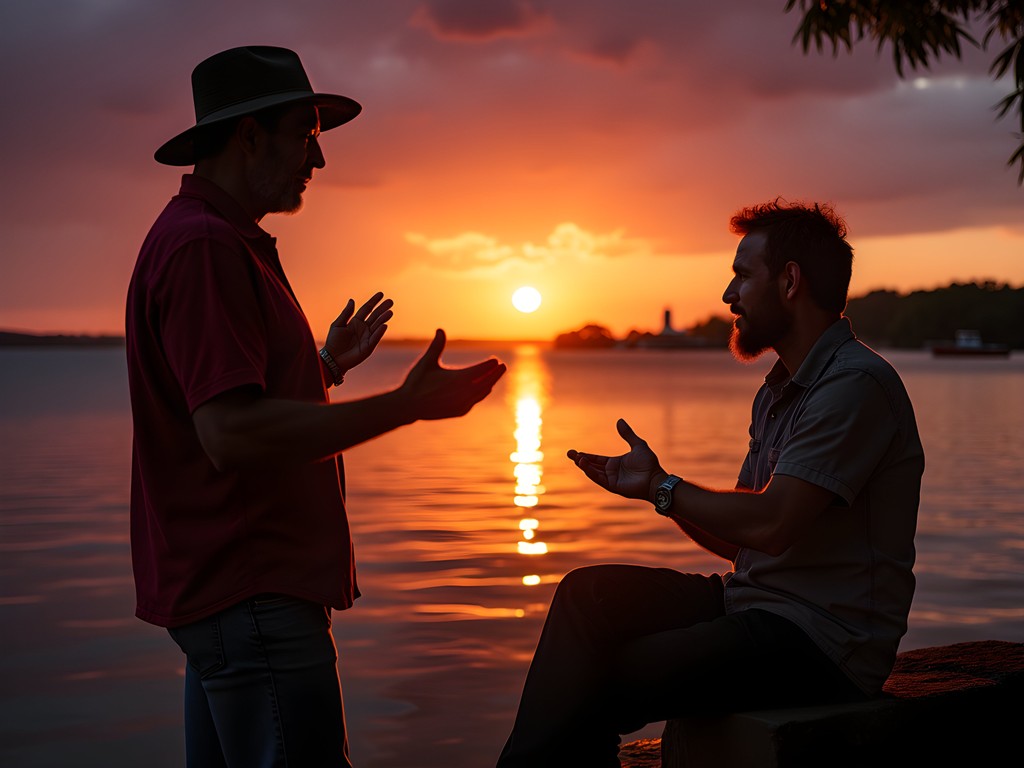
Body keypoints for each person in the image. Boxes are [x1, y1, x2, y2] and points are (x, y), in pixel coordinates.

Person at [126, 46, 506, 768]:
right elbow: (231, 435)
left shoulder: (213, 239)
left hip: (233, 601)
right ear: (248, 136)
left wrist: (324, 365)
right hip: (253, 596)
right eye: (307, 134)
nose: (319, 161)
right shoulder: (206, 247)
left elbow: (232, 402)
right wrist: (404, 406)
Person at [496, 200, 924, 767]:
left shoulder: (854, 386)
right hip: (752, 603)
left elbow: (772, 523)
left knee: (612, 671)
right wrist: (659, 495)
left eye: (743, 276)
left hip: (824, 641)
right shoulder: (777, 393)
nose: (729, 296)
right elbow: (746, 540)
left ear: (790, 281)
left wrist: (665, 487)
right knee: (586, 596)